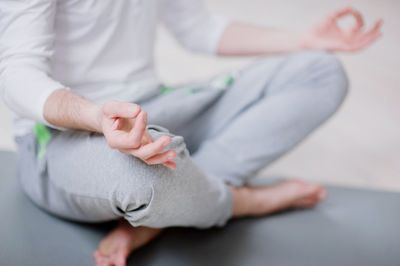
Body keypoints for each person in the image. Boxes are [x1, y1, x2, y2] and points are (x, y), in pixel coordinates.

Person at [0, 1, 382, 265]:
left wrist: (302, 42)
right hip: (65, 134)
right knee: (140, 178)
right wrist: (95, 116)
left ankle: (170, 209)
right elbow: (16, 74)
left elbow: (198, 28)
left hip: (152, 105)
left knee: (321, 71)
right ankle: (243, 201)